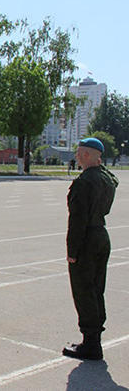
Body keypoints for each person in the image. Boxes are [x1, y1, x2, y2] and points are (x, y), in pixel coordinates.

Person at [62, 138, 119, 360]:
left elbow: (77, 220)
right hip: (101, 235)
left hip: (86, 239)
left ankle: (91, 343)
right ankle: (95, 338)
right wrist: (98, 160)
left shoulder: (83, 182)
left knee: (84, 291)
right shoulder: (106, 178)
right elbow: (111, 176)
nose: (76, 157)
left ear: (85, 155)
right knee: (97, 289)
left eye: (78, 153)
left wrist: (72, 251)